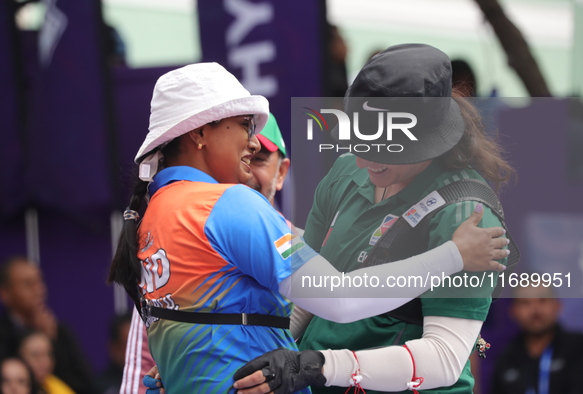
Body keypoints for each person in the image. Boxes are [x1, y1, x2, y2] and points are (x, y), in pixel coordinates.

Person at [107, 61, 508, 393]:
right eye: (245, 124)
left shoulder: (154, 209)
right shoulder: (230, 204)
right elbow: (340, 298)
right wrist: (453, 256)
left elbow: (445, 359)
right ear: (198, 133)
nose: (252, 140)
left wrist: (306, 364)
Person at [233, 43, 515, 394]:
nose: (364, 162)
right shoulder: (346, 170)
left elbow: (444, 360)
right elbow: (310, 298)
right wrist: (245, 367)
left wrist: (320, 366)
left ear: (430, 142)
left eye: (382, 152)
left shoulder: (468, 219)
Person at [119, 113, 292, 394]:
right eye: (244, 128)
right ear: (199, 135)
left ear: (281, 172)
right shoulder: (194, 218)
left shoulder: (157, 218)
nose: (252, 147)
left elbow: (336, 329)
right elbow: (141, 367)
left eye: (261, 160)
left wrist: (302, 368)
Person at [0, 256, 95, 394]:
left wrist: (53, 342)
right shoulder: (3, 333)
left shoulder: (59, 331)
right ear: (5, 293)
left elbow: (85, 382)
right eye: (28, 284)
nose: (39, 290)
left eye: (39, 282)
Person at [491, 283, 583, 394]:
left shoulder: (580, 347)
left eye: (542, 300)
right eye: (526, 303)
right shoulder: (506, 357)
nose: (535, 310)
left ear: (557, 305)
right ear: (513, 311)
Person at [95, 313, 132, 394]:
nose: (137, 351)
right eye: (130, 344)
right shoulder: (103, 388)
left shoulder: (161, 381)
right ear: (114, 348)